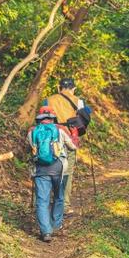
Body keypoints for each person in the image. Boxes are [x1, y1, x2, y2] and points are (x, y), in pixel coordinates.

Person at [27, 106, 77, 242]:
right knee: (59, 197)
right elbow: (73, 146)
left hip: (40, 170)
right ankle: (56, 225)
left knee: (42, 201)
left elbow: (31, 148)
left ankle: (46, 232)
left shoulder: (32, 131)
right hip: (59, 169)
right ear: (53, 117)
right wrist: (73, 133)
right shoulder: (60, 129)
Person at [42, 78, 91, 215]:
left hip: (52, 138)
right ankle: (64, 204)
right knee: (67, 171)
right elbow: (85, 119)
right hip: (70, 137)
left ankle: (51, 201)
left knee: (52, 168)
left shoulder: (48, 100)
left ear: (59, 88)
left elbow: (42, 118)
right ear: (73, 88)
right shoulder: (78, 101)